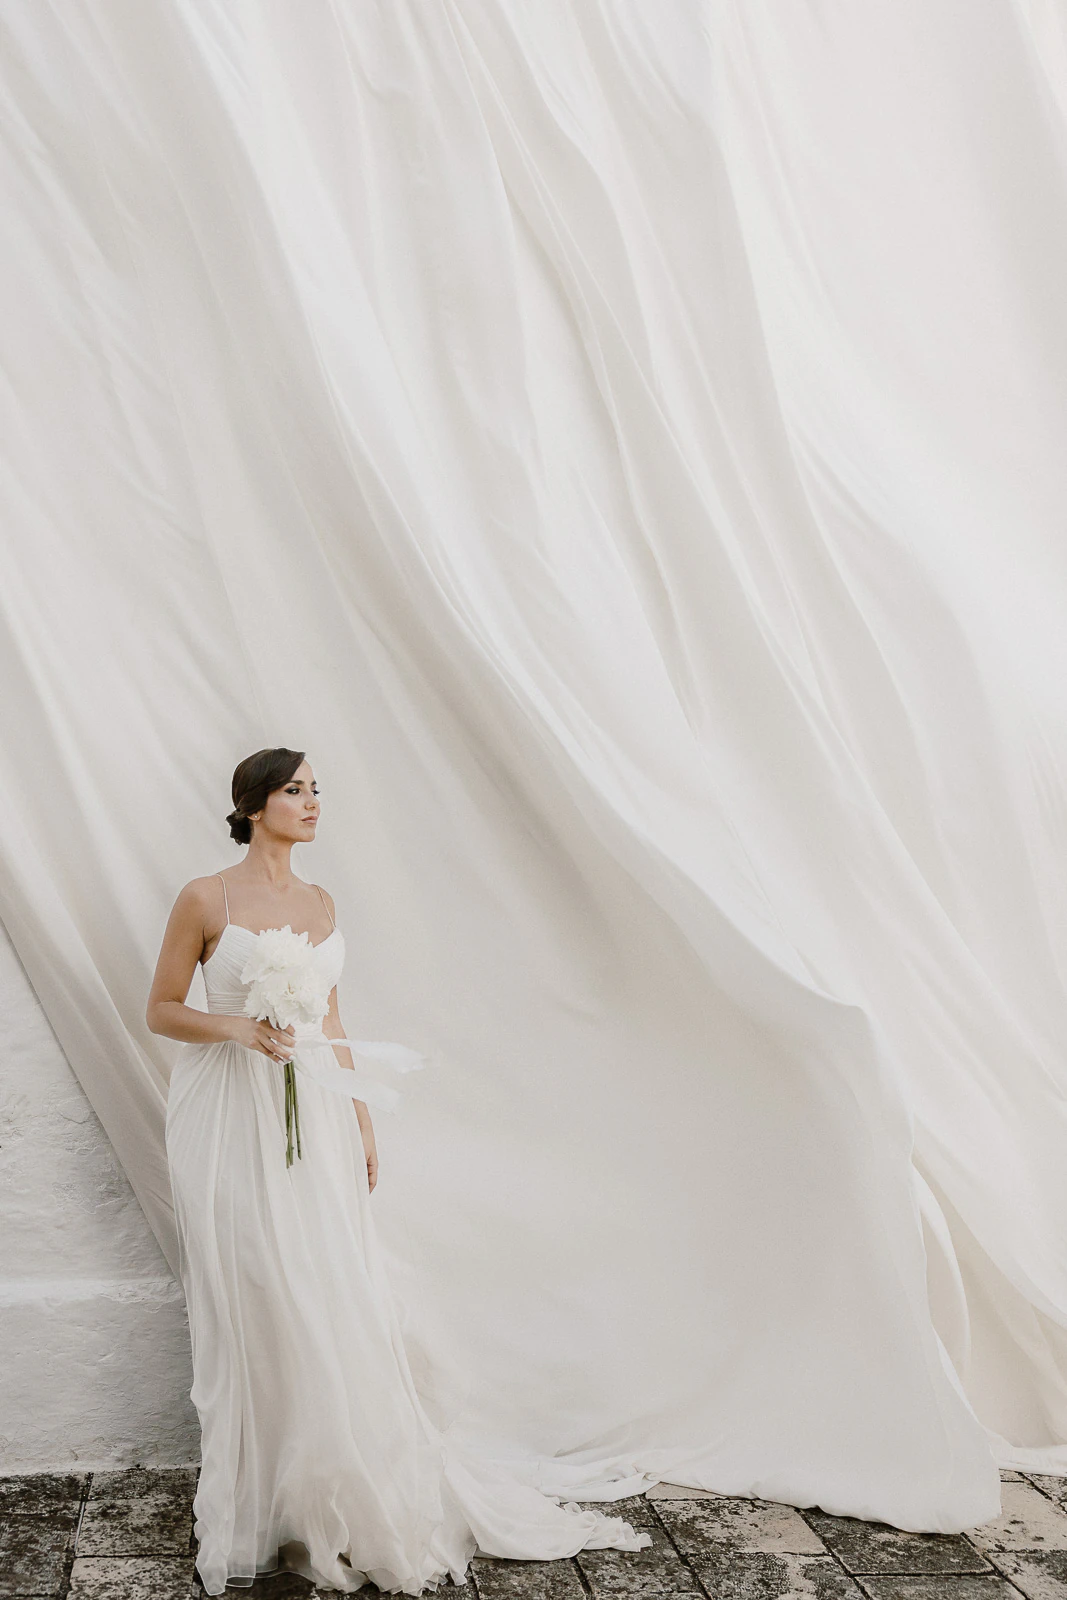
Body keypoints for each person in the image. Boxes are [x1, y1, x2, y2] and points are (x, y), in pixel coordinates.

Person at [146, 746, 651, 1595]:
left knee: (329, 1289)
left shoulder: (321, 901)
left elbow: (332, 1014)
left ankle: (328, 1497)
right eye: (295, 790)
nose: (312, 803)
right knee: (257, 1289)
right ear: (253, 803)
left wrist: (360, 1116)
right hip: (229, 1117)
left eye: (317, 791)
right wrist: (235, 1029)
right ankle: (264, 1502)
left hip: (314, 1109)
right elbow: (160, 1009)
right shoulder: (206, 896)